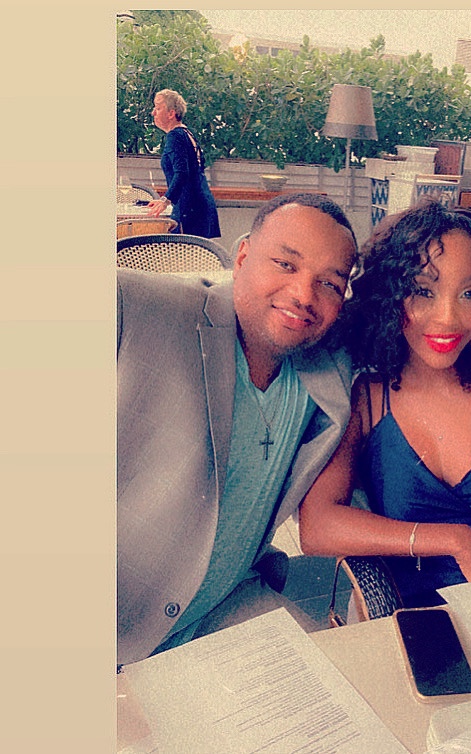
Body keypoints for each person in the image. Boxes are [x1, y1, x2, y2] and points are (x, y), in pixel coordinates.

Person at [299, 200, 471, 610]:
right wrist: (458, 541)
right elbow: (317, 527)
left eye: (469, 293)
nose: (448, 318)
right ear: (390, 295)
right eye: (423, 291)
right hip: (412, 615)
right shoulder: (368, 397)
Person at [118, 193, 358, 665]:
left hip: (224, 606)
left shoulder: (329, 363)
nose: (304, 295)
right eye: (286, 264)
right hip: (118, 620)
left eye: (330, 283)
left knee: (347, 701)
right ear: (243, 255)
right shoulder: (139, 307)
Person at [146, 88, 221, 238]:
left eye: (158, 108)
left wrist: (165, 200)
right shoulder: (187, 133)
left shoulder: (175, 136)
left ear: (171, 114)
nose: (153, 113)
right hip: (200, 205)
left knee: (182, 252)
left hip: (189, 210)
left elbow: (182, 173)